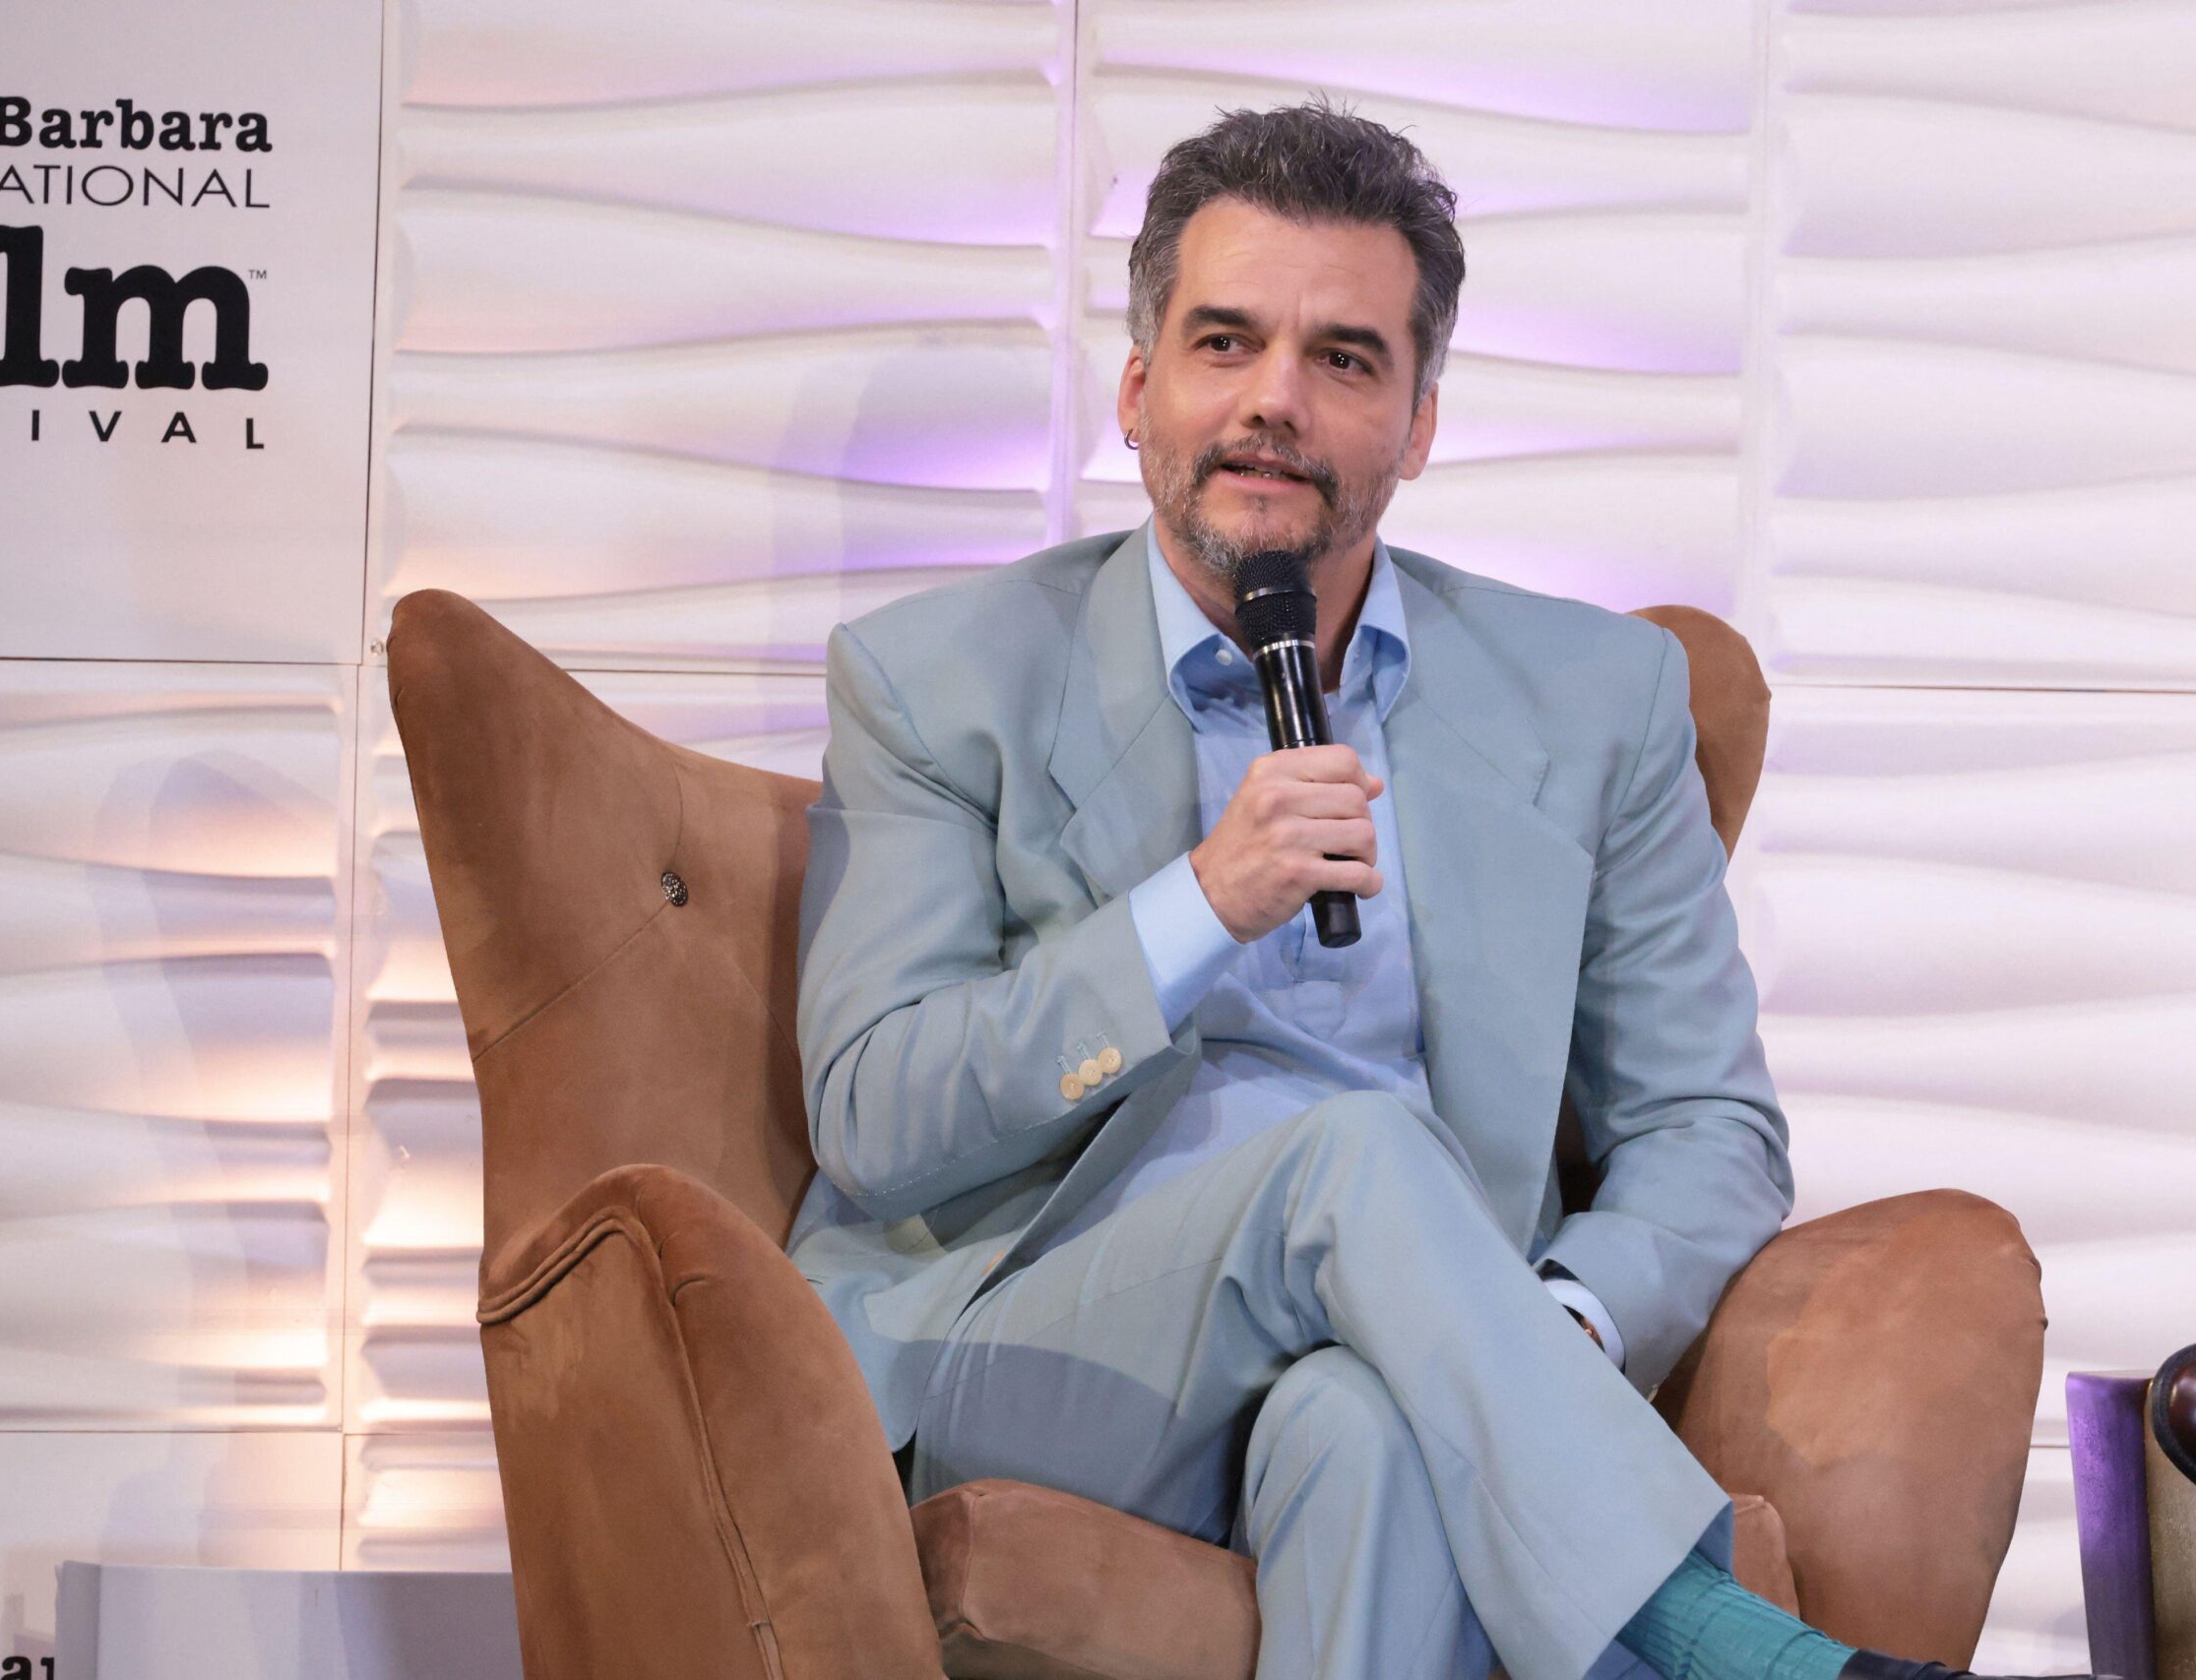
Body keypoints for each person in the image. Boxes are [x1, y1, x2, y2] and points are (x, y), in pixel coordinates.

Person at [783, 98, 2084, 1680]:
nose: (1274, 402)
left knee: (1373, 1435)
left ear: (1418, 423)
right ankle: (1726, 1642)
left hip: (1419, 1357)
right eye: (1224, 342)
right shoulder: (938, 682)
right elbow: (874, 1112)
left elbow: (1706, 1128)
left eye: (1342, 359)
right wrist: (1196, 905)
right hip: (1044, 1351)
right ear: (1137, 393)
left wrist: (1557, 1329)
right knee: (1353, 1153)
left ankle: (1527, 1453)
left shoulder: (1592, 696)